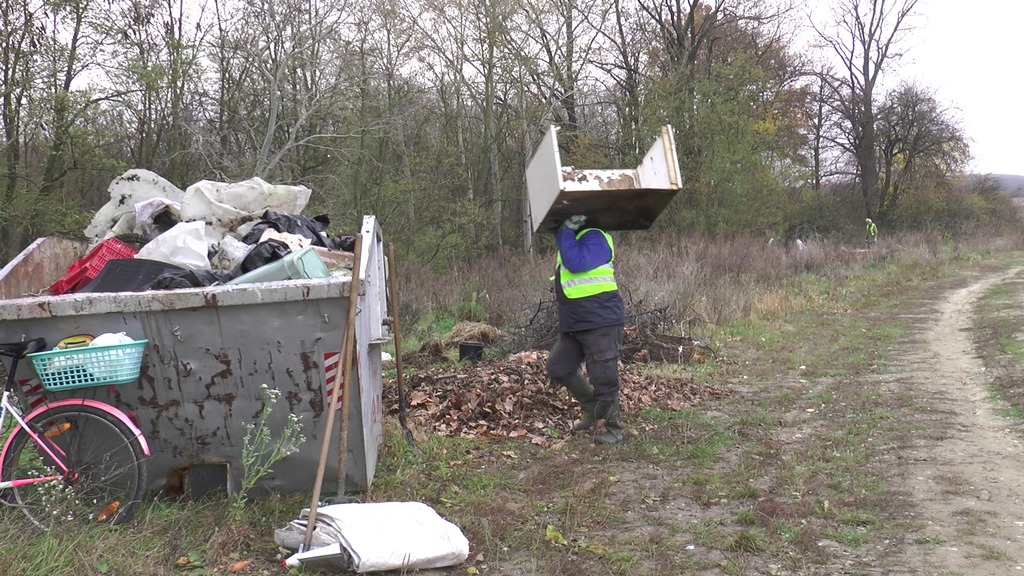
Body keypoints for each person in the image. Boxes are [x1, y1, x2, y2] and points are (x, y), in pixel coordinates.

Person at [546, 214, 626, 445]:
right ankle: (592, 410)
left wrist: (565, 231)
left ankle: (614, 428)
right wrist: (565, 233)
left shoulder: (596, 236)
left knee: (603, 376)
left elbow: (576, 263)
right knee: (558, 367)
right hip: (575, 323)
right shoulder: (572, 239)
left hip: (600, 321)